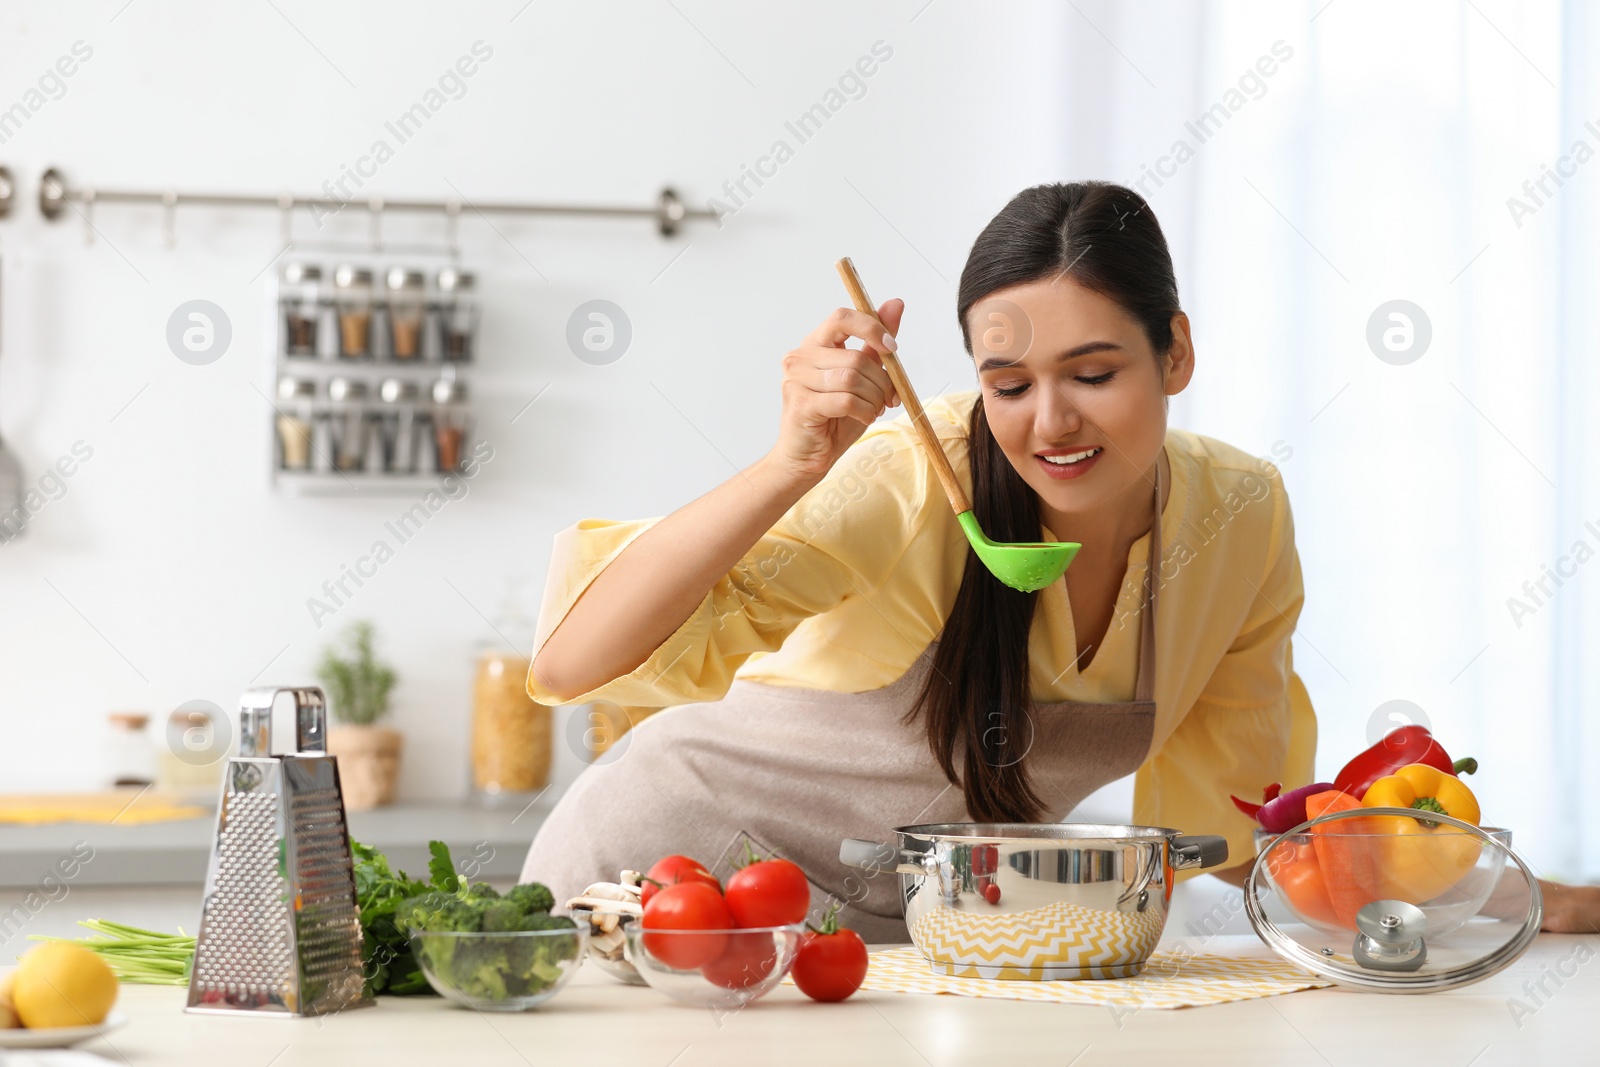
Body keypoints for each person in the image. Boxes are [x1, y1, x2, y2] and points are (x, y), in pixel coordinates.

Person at [519, 180, 1599, 938]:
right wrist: (792, 457)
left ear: (1175, 351)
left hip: (895, 946)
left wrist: (1491, 894)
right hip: (668, 889)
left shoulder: (1239, 515)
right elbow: (574, 662)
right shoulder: (910, 473)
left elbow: (1239, 832)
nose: (1049, 422)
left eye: (1092, 370)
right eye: (1009, 381)